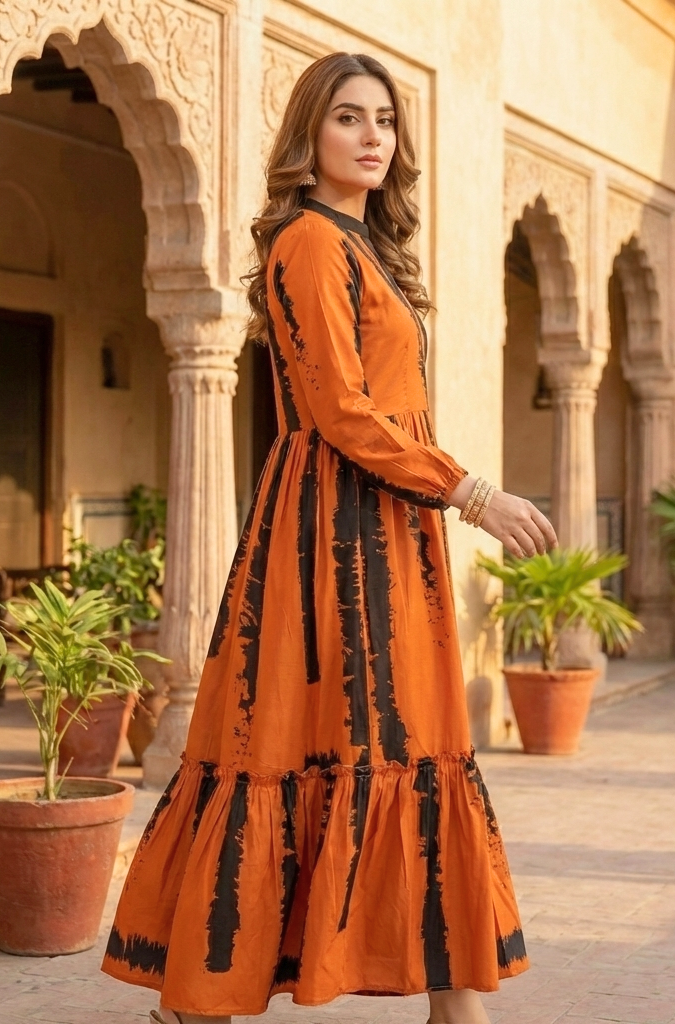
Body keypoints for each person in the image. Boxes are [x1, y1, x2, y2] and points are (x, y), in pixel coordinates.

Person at [101, 51, 557, 1024]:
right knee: (294, 740)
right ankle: (204, 994)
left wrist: (441, 495)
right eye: (349, 117)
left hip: (388, 525)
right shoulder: (308, 242)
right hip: (334, 537)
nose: (372, 136)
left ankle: (455, 1004)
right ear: (309, 136)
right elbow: (341, 411)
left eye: (384, 119)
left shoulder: (365, 247)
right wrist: (472, 492)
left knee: (413, 744)